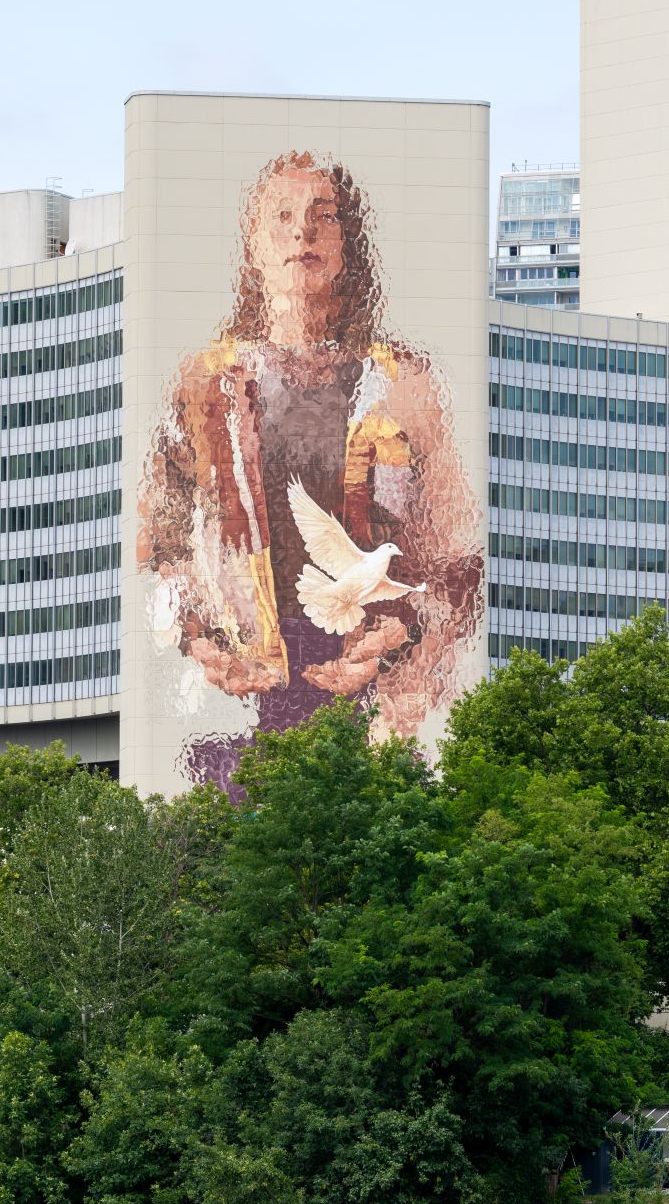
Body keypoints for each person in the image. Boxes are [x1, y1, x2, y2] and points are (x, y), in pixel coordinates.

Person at [137, 151, 482, 786]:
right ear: (253, 243)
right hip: (244, 684)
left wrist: (405, 657)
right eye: (283, 216)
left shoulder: (403, 383)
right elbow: (162, 539)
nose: (302, 232)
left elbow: (455, 558)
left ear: (350, 243)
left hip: (369, 677)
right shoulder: (206, 382)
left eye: (324, 216)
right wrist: (199, 640)